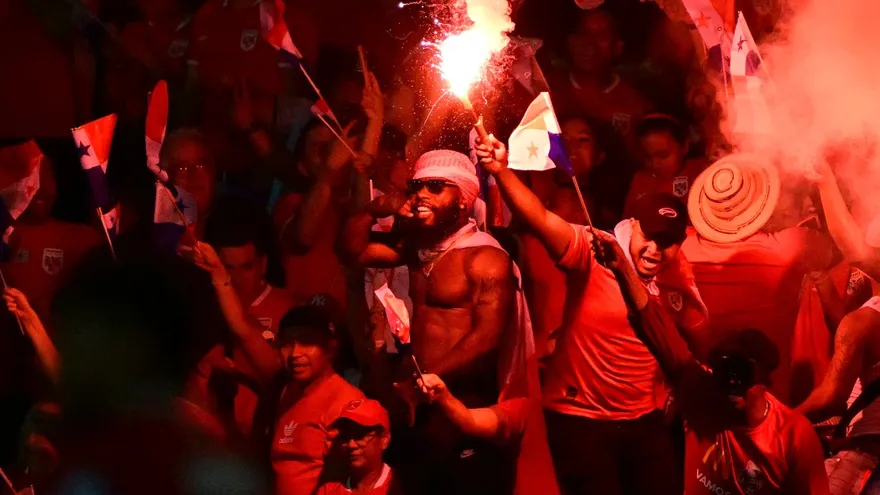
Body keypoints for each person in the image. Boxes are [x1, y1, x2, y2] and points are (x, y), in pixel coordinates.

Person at [475, 134, 706, 495]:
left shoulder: (679, 278)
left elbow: (685, 347)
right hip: (580, 419)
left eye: (668, 243)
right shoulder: (597, 250)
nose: (655, 250)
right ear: (633, 226)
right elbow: (538, 216)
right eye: (649, 237)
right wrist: (500, 170)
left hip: (644, 421)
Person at [342, 149, 552, 494]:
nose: (421, 195)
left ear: (464, 200)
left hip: (464, 406)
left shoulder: (485, 258)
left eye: (436, 187)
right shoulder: (416, 249)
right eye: (416, 186)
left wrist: (421, 381)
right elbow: (350, 252)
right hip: (417, 405)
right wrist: (371, 210)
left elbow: (486, 338)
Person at [592, 227, 831, 494]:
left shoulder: (793, 437)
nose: (731, 382)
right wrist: (623, 269)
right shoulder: (703, 394)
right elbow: (655, 328)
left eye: (740, 373)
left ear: (764, 379)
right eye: (724, 369)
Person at [682, 154, 836, 403]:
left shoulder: (682, 247)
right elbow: (839, 246)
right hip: (769, 403)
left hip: (704, 401)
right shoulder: (791, 246)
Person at [271, 304, 365, 495]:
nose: (295, 353)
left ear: (330, 348)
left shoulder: (347, 401)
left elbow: (360, 479)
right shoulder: (287, 391)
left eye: (306, 342)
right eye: (287, 343)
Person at [624, 113, 706, 217]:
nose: (655, 164)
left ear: (685, 146)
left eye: (663, 155)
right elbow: (627, 222)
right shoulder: (640, 181)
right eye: (648, 157)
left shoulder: (700, 171)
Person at [316, 399, 400, 495]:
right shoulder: (328, 491)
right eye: (345, 437)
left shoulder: (402, 486)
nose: (351, 445)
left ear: (384, 439)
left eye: (360, 435)